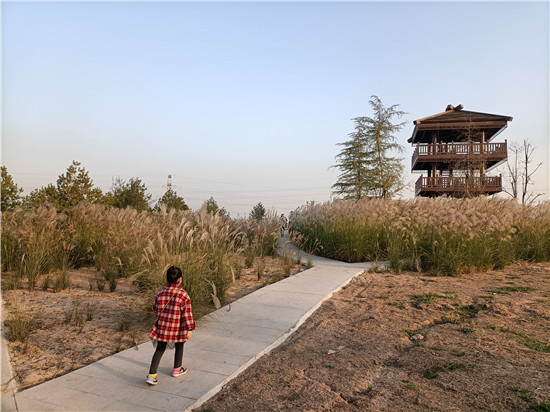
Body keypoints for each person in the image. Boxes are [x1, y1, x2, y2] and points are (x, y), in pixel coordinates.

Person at [146, 266, 195, 385]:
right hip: (177, 328)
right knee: (180, 345)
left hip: (163, 327)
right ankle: (177, 369)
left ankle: (151, 375)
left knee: (160, 349)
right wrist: (189, 329)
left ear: (167, 279)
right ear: (180, 279)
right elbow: (187, 314)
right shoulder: (183, 295)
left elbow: (155, 309)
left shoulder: (160, 293)